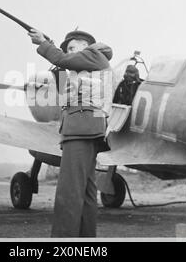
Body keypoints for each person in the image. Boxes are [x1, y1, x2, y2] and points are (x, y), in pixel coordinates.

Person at [28, 29, 113, 238]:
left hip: (80, 131)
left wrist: (43, 44)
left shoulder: (93, 54)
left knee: (69, 192)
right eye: (68, 49)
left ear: (86, 45)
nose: (70, 52)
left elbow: (63, 59)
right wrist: (51, 45)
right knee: (85, 193)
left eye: (73, 47)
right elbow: (62, 70)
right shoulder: (88, 66)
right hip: (87, 130)